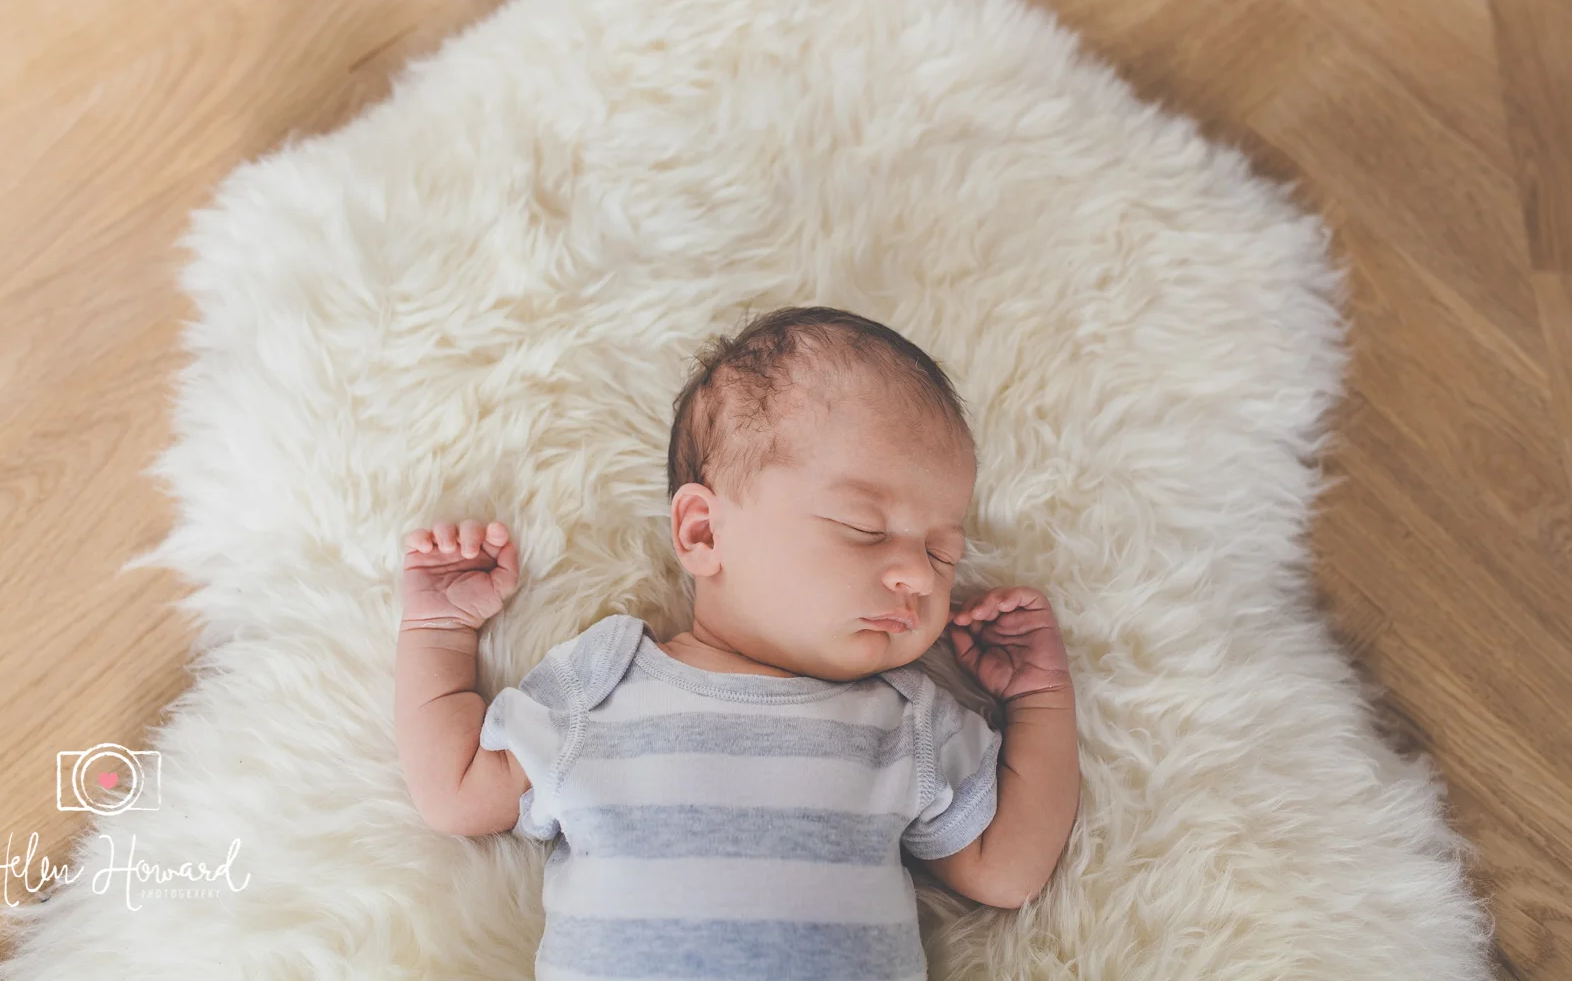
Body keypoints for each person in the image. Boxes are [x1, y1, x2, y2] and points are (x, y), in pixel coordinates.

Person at [395, 305, 1080, 980]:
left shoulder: (907, 721)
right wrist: (438, 631)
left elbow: (1008, 870)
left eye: (941, 552)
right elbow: (455, 791)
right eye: (865, 528)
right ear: (704, 533)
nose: (915, 576)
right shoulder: (604, 685)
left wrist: (1041, 698)